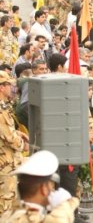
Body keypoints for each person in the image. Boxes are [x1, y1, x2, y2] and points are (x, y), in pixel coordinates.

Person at [1, 150, 80, 223]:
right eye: (51, 185)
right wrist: (64, 207)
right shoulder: (32, 219)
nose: (53, 190)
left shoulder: (8, 215)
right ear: (44, 188)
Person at [0, 70, 28, 215]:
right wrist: (24, 145)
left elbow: (7, 131)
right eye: (9, 85)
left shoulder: (4, 107)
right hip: (4, 165)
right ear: (1, 87)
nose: (13, 88)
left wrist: (19, 133)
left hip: (9, 161)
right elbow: (10, 138)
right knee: (6, 204)